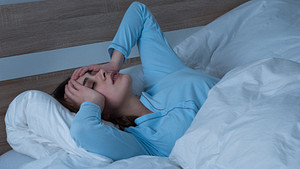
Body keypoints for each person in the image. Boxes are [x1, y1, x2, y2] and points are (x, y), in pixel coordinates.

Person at [53, 1, 219, 161]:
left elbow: (139, 11)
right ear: (102, 112)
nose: (101, 73)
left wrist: (114, 63)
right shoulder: (140, 142)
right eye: (92, 86)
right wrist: (93, 103)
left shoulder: (161, 75)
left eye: (95, 72)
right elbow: (83, 131)